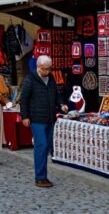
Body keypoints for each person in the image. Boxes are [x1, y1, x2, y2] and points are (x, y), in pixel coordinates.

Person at [20, 55, 67, 188]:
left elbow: (55, 95)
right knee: (42, 145)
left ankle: (43, 175)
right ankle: (40, 177)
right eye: (45, 69)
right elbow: (24, 99)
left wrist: (61, 104)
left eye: (49, 69)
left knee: (46, 146)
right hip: (37, 118)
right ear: (38, 67)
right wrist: (25, 116)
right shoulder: (30, 79)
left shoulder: (51, 78)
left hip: (50, 118)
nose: (47, 72)